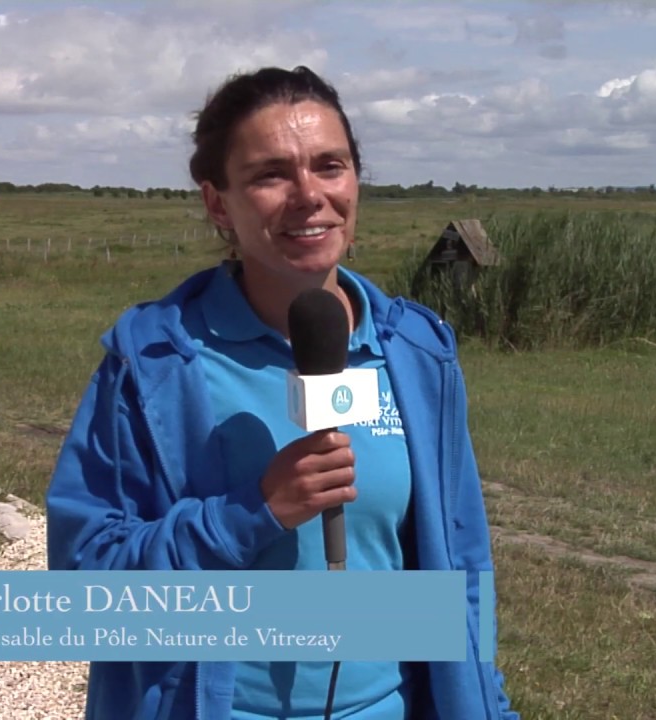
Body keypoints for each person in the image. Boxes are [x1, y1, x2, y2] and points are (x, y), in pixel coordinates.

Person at [45, 65, 519, 720]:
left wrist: (485, 706)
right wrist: (253, 511)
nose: (308, 195)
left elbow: (461, 572)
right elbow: (84, 582)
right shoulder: (153, 360)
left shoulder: (417, 353)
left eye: (330, 166)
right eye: (271, 175)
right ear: (218, 203)